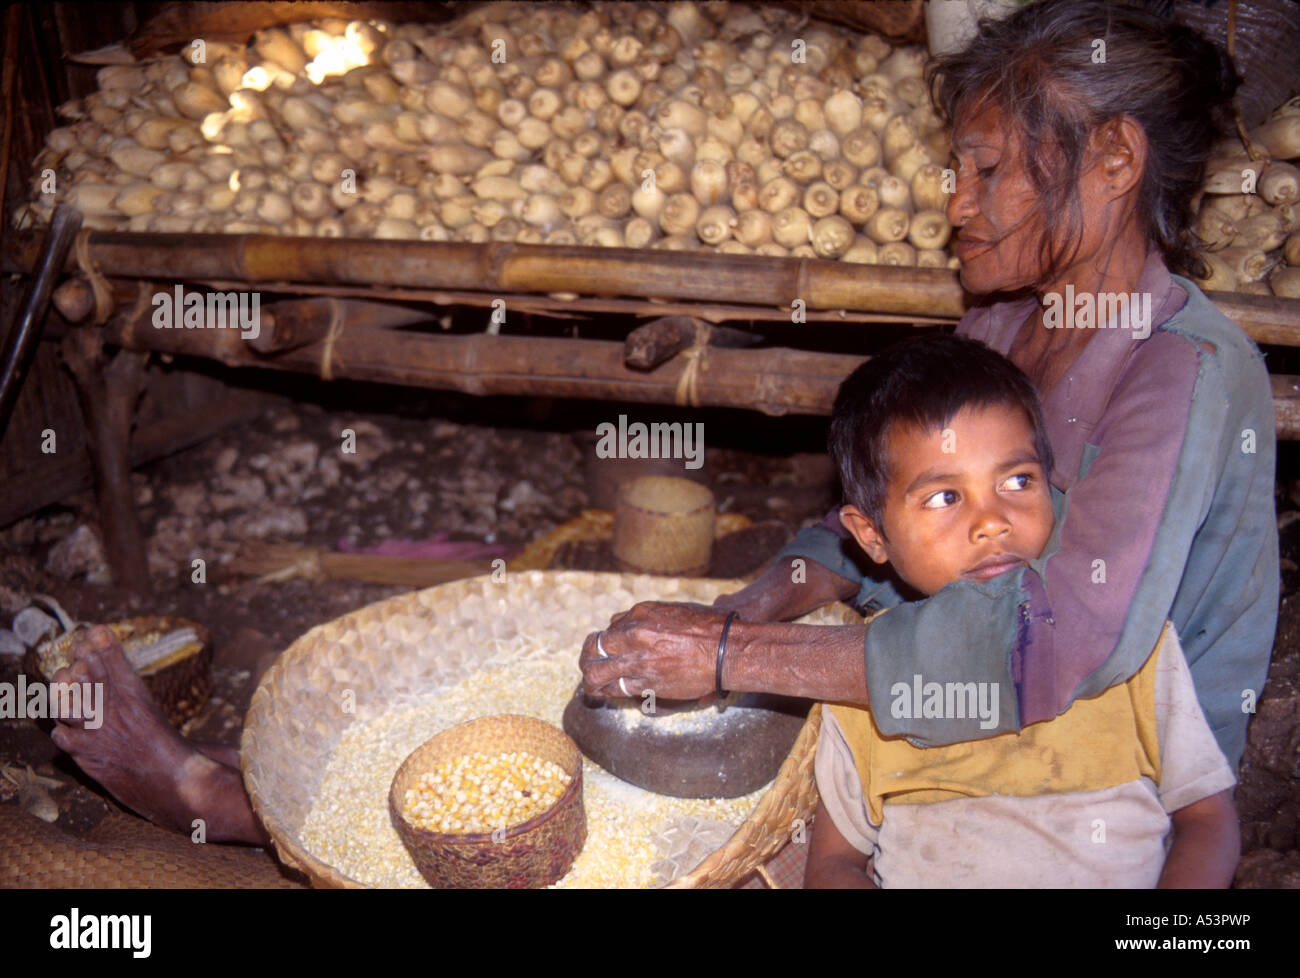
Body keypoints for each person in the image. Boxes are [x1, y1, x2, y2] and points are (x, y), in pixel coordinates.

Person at [580, 0, 1278, 772]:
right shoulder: (1003, 326)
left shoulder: (1183, 369)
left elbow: (1055, 643)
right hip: (981, 692)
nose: (956, 206)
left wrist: (731, 655)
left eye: (985, 169)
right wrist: (751, 606)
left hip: (1122, 765)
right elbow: (885, 514)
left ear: (1114, 159)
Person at [802, 336, 1237, 888]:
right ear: (871, 534)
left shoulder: (1125, 636)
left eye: (1017, 481)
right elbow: (834, 867)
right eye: (944, 497)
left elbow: (1206, 817)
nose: (993, 521)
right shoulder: (861, 675)